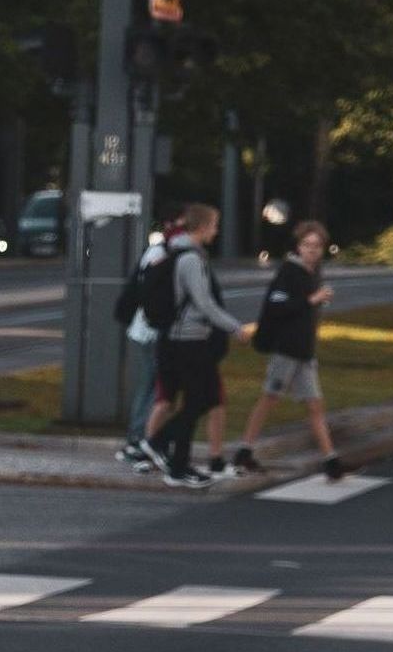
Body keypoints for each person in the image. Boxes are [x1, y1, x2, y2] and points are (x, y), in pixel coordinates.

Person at [139, 202, 256, 489]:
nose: (216, 232)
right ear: (202, 227)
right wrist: (235, 328)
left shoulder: (179, 252)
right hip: (187, 340)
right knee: (200, 400)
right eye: (214, 226)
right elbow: (203, 303)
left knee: (196, 401)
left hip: (180, 340)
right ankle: (158, 443)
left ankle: (178, 467)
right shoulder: (191, 258)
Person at [232, 220, 342, 479]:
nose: (312, 250)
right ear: (298, 246)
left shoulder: (314, 273)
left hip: (304, 351)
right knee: (270, 397)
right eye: (307, 245)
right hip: (286, 349)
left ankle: (331, 461)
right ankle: (244, 450)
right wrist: (310, 300)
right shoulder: (290, 273)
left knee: (315, 405)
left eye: (316, 246)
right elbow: (276, 307)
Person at [115, 228, 170, 467]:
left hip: (145, 328)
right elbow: (149, 290)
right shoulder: (159, 253)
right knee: (153, 385)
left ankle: (139, 437)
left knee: (149, 384)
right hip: (149, 330)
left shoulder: (157, 251)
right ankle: (140, 438)